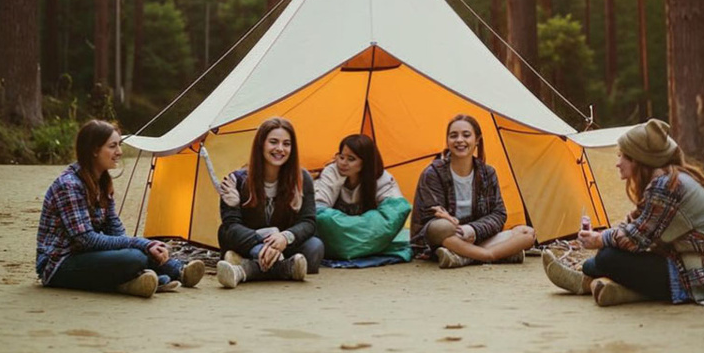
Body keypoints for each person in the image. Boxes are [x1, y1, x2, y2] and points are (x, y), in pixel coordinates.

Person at [544, 119, 704, 307]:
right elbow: (636, 226)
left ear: (638, 160)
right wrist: (606, 238)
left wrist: (599, 240)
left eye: (622, 156)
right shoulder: (668, 179)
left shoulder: (667, 186)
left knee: (607, 258)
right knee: (610, 253)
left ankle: (586, 279)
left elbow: (635, 240)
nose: (617, 163)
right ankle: (610, 287)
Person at [36, 120, 205, 298]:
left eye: (119, 145)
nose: (119, 152)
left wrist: (148, 246)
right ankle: (147, 277)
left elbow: (114, 228)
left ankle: (168, 273)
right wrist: (141, 245)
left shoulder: (101, 182)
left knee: (140, 251)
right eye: (113, 146)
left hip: (88, 255)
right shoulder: (69, 185)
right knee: (135, 257)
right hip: (59, 264)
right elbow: (86, 239)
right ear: (94, 150)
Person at [410, 114, 535, 268]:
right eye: (453, 136)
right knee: (443, 227)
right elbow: (429, 217)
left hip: (474, 237)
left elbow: (499, 214)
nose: (460, 140)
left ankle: (462, 257)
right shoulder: (433, 172)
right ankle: (489, 255)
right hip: (445, 239)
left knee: (527, 233)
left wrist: (471, 230)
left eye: (466, 135)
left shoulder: (487, 173)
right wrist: (452, 222)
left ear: (477, 140)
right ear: (448, 141)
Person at [215, 117, 325, 287]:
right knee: (226, 233)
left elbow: (309, 222)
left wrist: (284, 237)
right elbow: (230, 225)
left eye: (286, 144)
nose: (280, 149)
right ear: (261, 145)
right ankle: (285, 267)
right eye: (273, 142)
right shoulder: (237, 180)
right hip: (251, 242)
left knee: (314, 247)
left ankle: (245, 269)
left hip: (284, 244)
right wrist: (264, 238)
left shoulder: (302, 178)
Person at [313, 134, 412, 262]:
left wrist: (351, 225)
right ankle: (362, 248)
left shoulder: (381, 178)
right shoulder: (331, 172)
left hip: (365, 232)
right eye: (341, 157)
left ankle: (355, 246)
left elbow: (395, 210)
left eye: (351, 159)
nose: (343, 163)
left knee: (385, 223)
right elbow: (318, 207)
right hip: (339, 234)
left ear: (365, 162)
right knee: (323, 219)